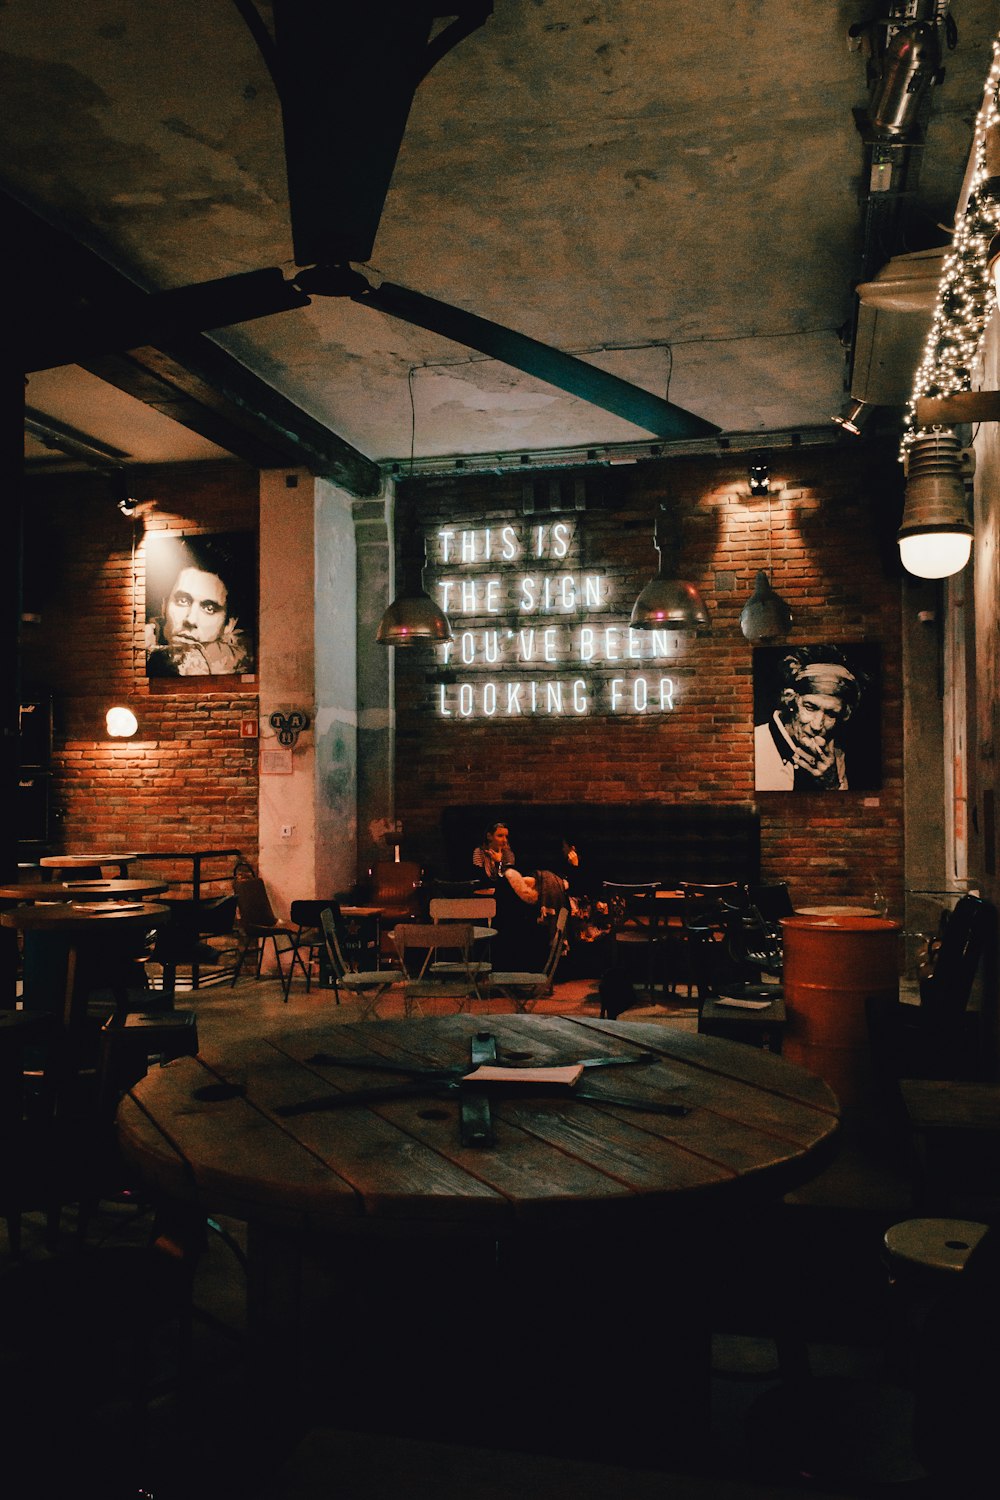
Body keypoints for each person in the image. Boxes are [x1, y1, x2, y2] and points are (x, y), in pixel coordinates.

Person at [754, 647, 863, 792]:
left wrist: (832, 785)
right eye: (810, 707)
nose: (817, 725)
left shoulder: (836, 758)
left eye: (831, 714)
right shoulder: (755, 744)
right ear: (790, 699)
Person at [146, 538, 253, 677]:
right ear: (164, 605)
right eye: (183, 601)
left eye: (209, 608)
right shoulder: (144, 638)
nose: (190, 620)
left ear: (230, 624)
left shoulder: (242, 657)